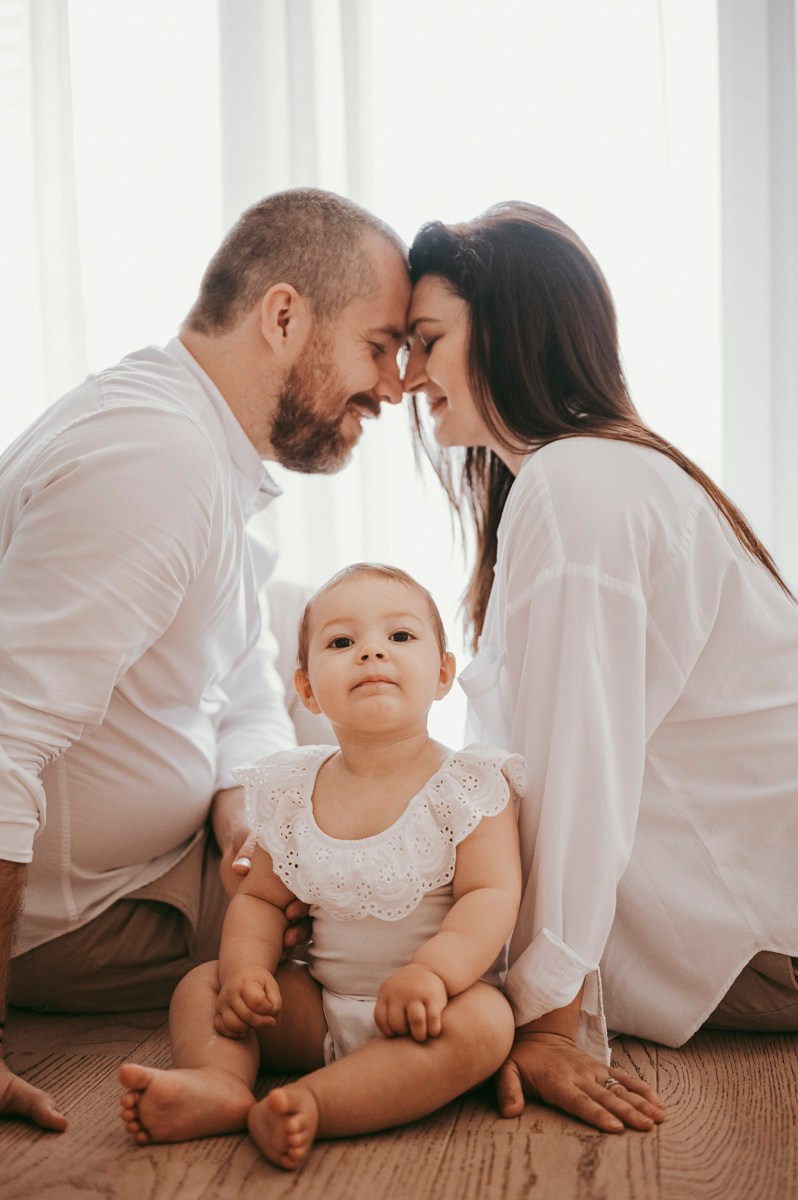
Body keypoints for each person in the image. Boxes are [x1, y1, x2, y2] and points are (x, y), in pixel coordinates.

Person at [0, 188, 411, 1131]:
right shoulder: (155, 463)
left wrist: (244, 819)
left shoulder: (211, 456)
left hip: (179, 859)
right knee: (419, 922)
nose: (394, 387)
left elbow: (240, 684)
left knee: (377, 773)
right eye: (380, 346)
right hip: (87, 912)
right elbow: (4, 739)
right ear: (282, 315)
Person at [402, 202, 798, 1135]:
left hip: (765, 935)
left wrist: (543, 1022)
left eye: (428, 340)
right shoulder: (588, 475)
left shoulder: (580, 487)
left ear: (508, 329)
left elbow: (577, 773)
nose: (409, 375)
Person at [118, 563, 523, 1170]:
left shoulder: (468, 784)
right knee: (200, 986)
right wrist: (246, 973)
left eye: (401, 637)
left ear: (443, 674)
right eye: (342, 642)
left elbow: (490, 896)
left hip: (431, 1010)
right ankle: (220, 1082)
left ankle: (313, 1102)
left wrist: (434, 974)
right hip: (317, 1008)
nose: (371, 653)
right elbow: (258, 899)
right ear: (307, 690)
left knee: (488, 1027)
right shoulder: (292, 786)